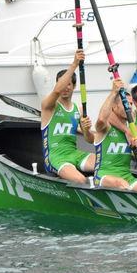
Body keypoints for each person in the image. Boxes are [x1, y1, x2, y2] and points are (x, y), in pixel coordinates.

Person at [93, 79, 137, 193]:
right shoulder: (106, 127)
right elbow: (101, 119)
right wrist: (113, 92)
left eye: (130, 104)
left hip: (127, 176)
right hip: (104, 176)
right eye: (125, 104)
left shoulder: (134, 129)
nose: (128, 107)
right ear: (114, 106)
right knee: (122, 184)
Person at [41, 50, 95, 183]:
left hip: (74, 154)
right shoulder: (49, 105)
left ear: (74, 86)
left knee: (105, 165)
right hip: (55, 157)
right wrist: (75, 64)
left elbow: (89, 140)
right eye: (62, 84)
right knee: (81, 180)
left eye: (68, 84)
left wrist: (87, 129)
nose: (65, 88)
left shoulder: (79, 109)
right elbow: (57, 90)